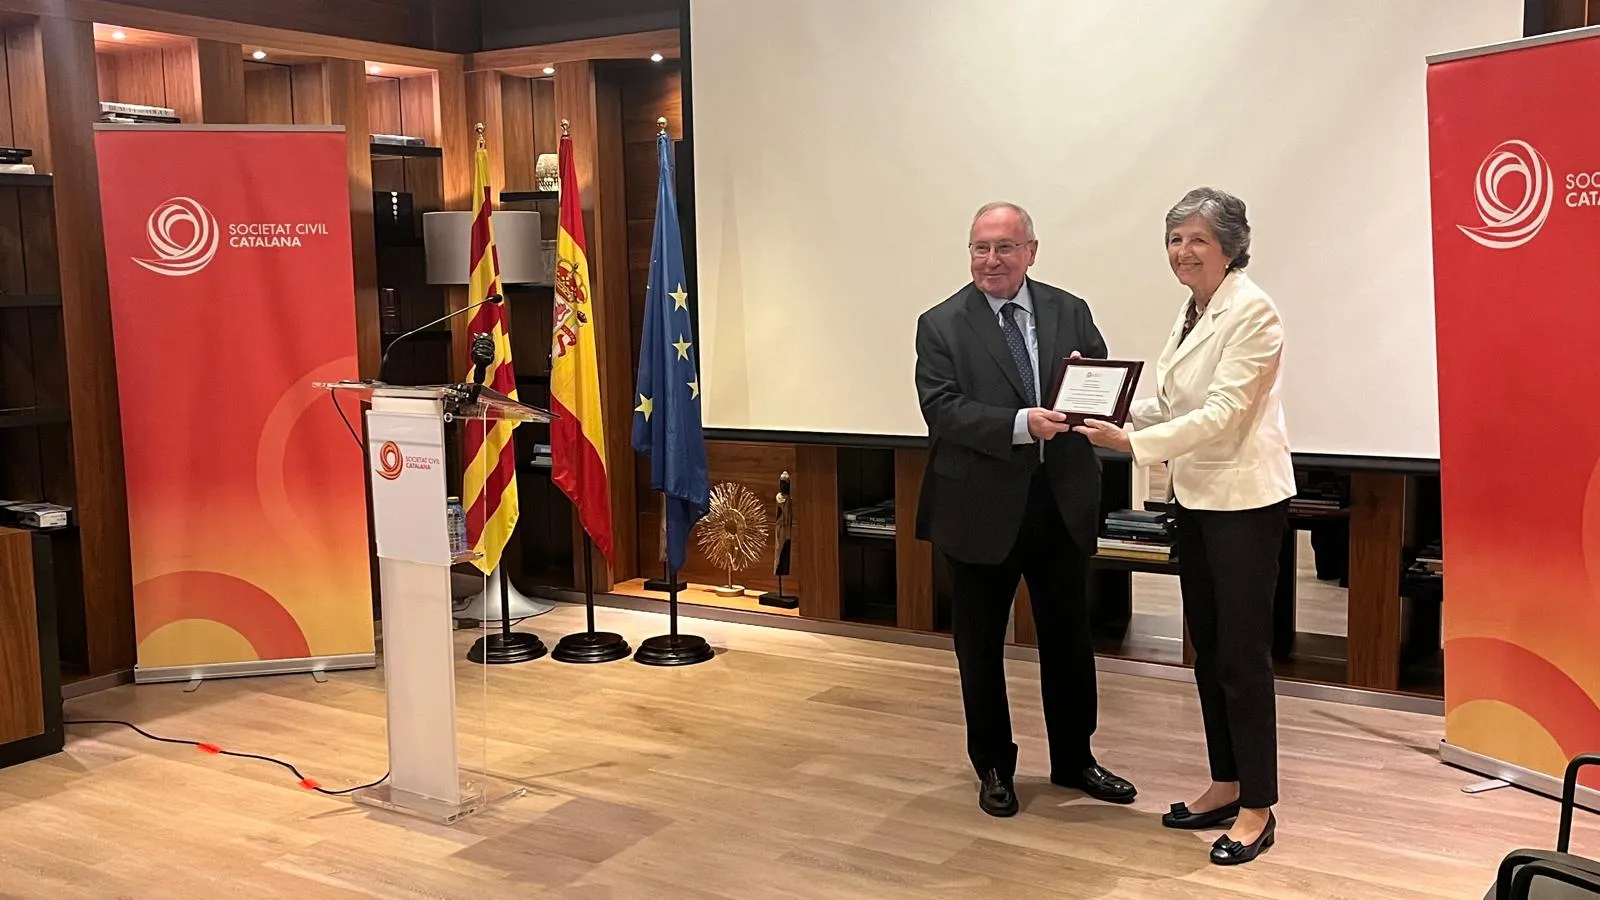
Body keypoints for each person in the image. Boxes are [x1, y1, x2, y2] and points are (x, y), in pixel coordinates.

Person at [1075, 187, 1293, 866]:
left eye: (1197, 239)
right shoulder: (1193, 312)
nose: (1182, 252)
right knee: (1208, 652)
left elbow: (1225, 412)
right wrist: (1102, 399)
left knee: (1243, 660)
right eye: (1174, 239)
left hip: (1245, 505)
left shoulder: (1252, 311)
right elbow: (1170, 400)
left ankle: (1258, 807)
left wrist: (1133, 446)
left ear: (1230, 245)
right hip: (1198, 502)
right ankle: (1225, 783)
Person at [914, 201, 1137, 818]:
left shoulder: (1071, 310)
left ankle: (1075, 759)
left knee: (1069, 641)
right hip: (978, 510)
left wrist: (1100, 406)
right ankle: (993, 766)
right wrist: (1021, 424)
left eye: (1006, 247)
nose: (992, 260)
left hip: (1061, 503)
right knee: (980, 647)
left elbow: (1099, 382)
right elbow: (943, 410)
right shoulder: (940, 324)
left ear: (1031, 252)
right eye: (981, 248)